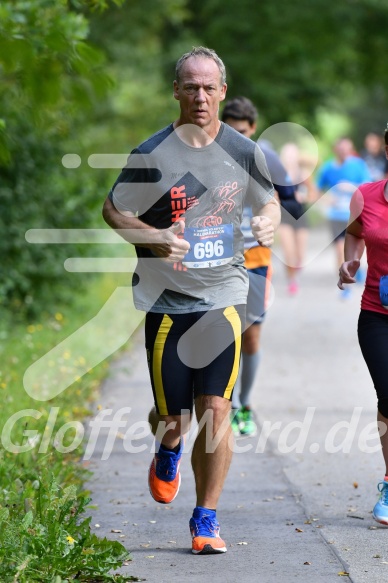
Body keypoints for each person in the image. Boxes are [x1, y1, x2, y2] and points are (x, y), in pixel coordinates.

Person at [102, 48, 280, 554]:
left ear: (223, 91)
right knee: (174, 415)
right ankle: (168, 445)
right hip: (166, 299)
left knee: (216, 409)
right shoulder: (152, 153)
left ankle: (205, 520)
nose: (200, 96)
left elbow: (267, 200)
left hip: (224, 294)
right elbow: (112, 212)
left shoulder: (244, 151)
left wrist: (269, 219)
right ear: (176, 91)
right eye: (190, 87)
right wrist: (152, 236)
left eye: (209, 87)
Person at [221, 96, 296, 436]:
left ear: (252, 128)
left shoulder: (261, 159)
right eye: (230, 130)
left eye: (241, 131)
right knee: (223, 336)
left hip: (255, 259)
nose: (236, 136)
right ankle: (224, 402)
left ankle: (243, 405)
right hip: (218, 258)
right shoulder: (211, 157)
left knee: (250, 337)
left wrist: (270, 219)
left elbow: (284, 200)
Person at [338, 124, 388, 525]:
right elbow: (354, 232)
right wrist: (350, 260)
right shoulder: (367, 196)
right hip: (377, 315)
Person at [316, 137, 371, 298]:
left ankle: (357, 268)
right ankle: (345, 284)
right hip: (336, 215)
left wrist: (351, 187)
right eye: (341, 149)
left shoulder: (358, 165)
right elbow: (317, 191)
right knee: (340, 248)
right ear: (335, 150)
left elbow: (368, 186)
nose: (344, 152)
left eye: (347, 149)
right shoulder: (328, 168)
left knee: (356, 246)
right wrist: (328, 199)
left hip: (355, 214)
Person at [279, 142, 318, 294]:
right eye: (287, 155)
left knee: (300, 255)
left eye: (292, 155)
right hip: (284, 216)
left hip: (301, 216)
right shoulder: (278, 175)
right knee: (289, 253)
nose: (290, 158)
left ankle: (296, 267)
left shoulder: (303, 175)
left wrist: (304, 197)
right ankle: (292, 280)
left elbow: (313, 194)